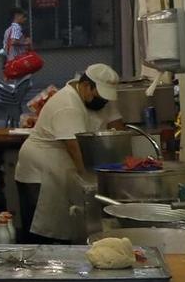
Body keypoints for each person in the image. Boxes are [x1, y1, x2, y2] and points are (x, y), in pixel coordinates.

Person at [15, 63, 123, 244]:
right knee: (41, 236)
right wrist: (91, 182)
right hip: (40, 174)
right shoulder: (68, 105)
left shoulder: (98, 99)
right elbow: (75, 148)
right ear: (86, 86)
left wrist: (122, 161)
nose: (102, 102)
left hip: (61, 171)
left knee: (62, 229)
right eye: (100, 97)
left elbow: (117, 127)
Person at [1, 7, 34, 71]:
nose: (25, 19)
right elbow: (13, 42)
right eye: (23, 16)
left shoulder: (8, 30)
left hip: (10, 61)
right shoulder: (17, 28)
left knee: (19, 80)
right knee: (25, 79)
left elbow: (5, 47)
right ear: (17, 16)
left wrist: (4, 63)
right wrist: (26, 43)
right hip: (19, 60)